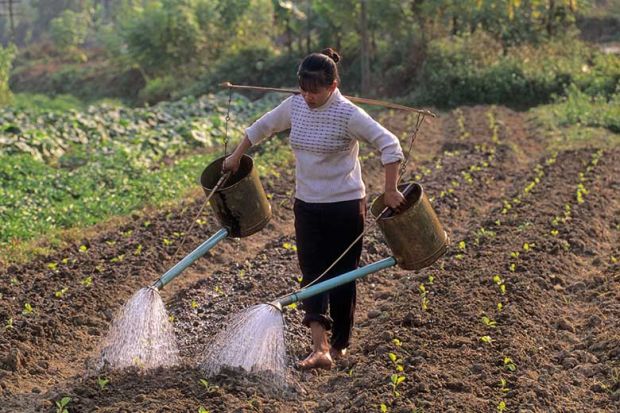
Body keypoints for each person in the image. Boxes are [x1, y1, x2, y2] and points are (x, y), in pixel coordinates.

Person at [222, 48, 405, 370]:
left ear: (333, 86)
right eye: (303, 89)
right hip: (307, 203)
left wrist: (390, 190)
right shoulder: (295, 105)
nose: (308, 97)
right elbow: (259, 129)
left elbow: (390, 145)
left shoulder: (348, 114)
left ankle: (339, 345)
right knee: (312, 273)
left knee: (343, 275)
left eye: (315, 91)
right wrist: (236, 155)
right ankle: (318, 347)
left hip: (345, 206)